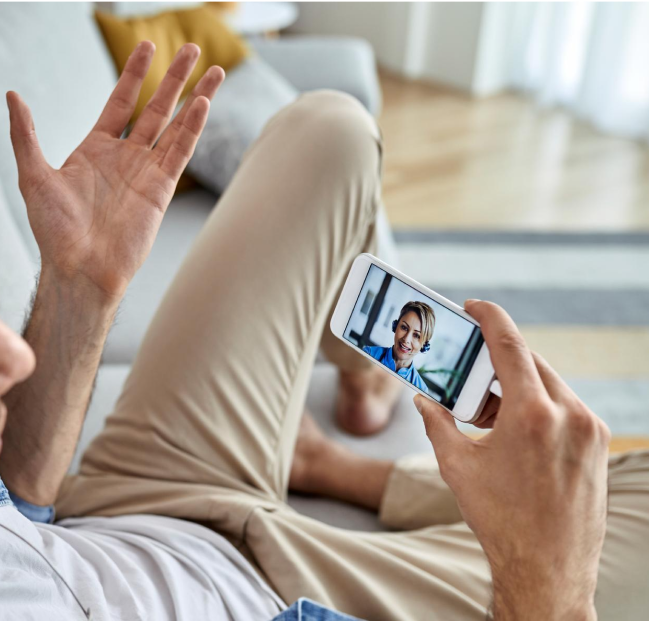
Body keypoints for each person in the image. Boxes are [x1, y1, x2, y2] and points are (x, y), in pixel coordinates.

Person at [1, 40, 648, 621]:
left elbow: (21, 510)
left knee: (328, 129)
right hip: (292, 597)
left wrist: (78, 285)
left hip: (134, 505)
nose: (6, 347)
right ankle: (364, 473)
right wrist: (551, 594)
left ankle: (351, 408)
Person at [362, 300, 435, 396]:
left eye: (416, 335)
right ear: (395, 327)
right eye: (404, 328)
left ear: (424, 346)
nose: (406, 339)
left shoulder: (421, 390)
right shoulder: (368, 354)